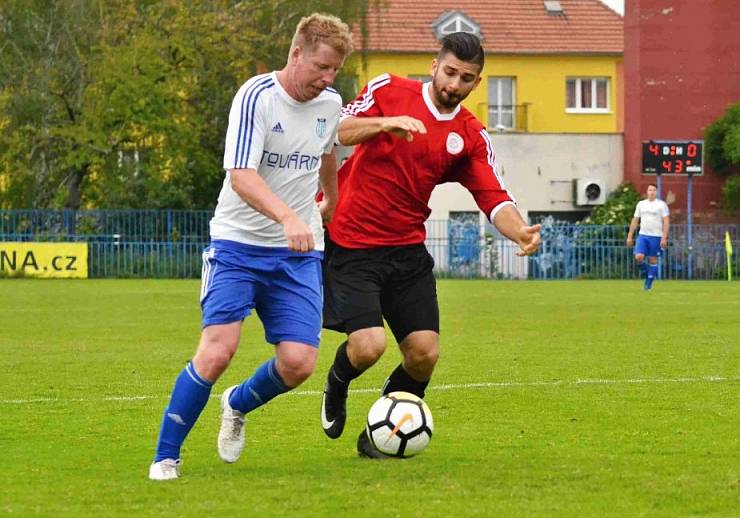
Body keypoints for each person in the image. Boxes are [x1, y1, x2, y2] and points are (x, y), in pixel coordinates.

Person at [148, 13, 354, 480]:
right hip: (238, 244)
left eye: (335, 71)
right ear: (296, 53)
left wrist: (332, 199)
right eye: (321, 66)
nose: (327, 78)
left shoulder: (330, 103)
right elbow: (241, 176)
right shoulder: (256, 96)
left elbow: (327, 151)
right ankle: (166, 456)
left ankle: (237, 404)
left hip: (299, 250)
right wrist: (287, 217)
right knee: (218, 351)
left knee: (299, 363)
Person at [318, 32, 542, 458]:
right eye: (450, 72)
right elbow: (336, 131)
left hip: (407, 252)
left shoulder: (469, 135)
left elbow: (494, 195)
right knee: (368, 347)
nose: (454, 84)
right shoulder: (388, 89)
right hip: (353, 241)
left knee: (423, 355)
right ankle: (337, 382)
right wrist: (384, 123)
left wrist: (520, 231)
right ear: (434, 65)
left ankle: (379, 433)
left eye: (467, 78)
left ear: (477, 84)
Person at [626, 184, 670, 290]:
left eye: (654, 190)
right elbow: (635, 220)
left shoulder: (661, 205)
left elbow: (666, 221)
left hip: (656, 236)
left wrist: (664, 237)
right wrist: (629, 236)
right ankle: (647, 274)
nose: (652, 192)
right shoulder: (641, 204)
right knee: (638, 257)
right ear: (647, 191)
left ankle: (648, 284)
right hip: (643, 235)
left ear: (657, 192)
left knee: (652, 260)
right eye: (650, 190)